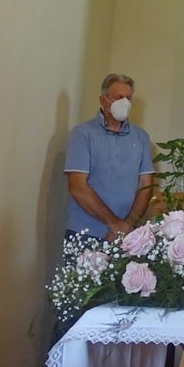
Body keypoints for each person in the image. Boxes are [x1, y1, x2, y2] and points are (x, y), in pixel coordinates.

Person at [65, 73, 155, 241]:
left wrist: (127, 225)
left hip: (127, 235)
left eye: (128, 98)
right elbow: (77, 186)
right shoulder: (82, 134)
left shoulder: (141, 137)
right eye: (119, 97)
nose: (125, 103)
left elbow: (146, 185)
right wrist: (114, 224)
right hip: (84, 233)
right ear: (103, 100)